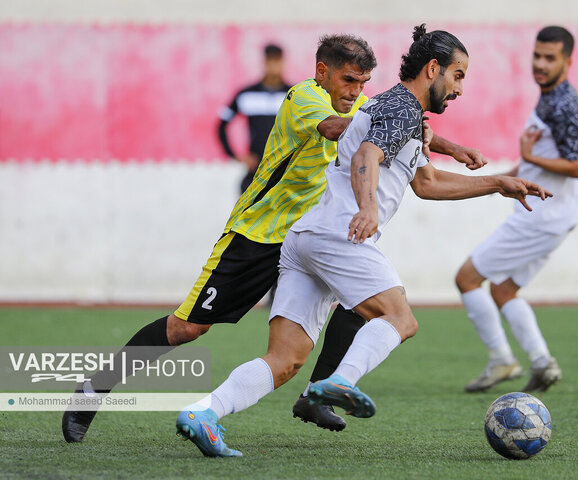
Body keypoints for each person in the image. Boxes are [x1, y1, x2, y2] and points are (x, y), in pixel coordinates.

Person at [62, 33, 487, 443]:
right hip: (260, 234)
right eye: (348, 80)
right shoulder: (305, 97)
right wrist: (389, 134)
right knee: (186, 328)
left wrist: (450, 146)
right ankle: (94, 389)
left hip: (314, 234)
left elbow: (387, 123)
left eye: (363, 83)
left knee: (361, 303)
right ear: (322, 72)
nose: (356, 90)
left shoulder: (362, 104)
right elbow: (343, 128)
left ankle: (317, 395)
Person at [176, 24, 551, 458]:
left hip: (306, 239)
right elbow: (365, 155)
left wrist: (498, 183)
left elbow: (426, 183)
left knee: (285, 360)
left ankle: (204, 412)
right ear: (433, 69)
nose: (459, 88)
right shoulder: (403, 109)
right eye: (458, 75)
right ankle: (340, 381)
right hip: (339, 233)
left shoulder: (398, 109)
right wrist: (367, 207)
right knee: (400, 318)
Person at [456, 26, 578, 394]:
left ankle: (501, 359)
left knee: (466, 278)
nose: (540, 64)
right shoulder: (549, 98)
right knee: (503, 290)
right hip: (552, 216)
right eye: (537, 56)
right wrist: (503, 179)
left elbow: (577, 166)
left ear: (567, 61)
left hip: (542, 216)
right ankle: (542, 363)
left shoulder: (564, 105)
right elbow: (541, 163)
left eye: (550, 58)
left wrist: (527, 156)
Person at [218, 44, 293, 193]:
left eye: (276, 61)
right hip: (256, 173)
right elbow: (221, 125)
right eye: (270, 61)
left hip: (284, 173)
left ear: (282, 63)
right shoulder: (247, 94)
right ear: (264, 62)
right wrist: (236, 156)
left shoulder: (293, 95)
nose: (273, 66)